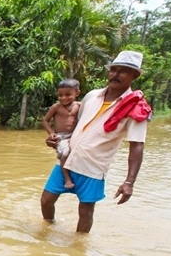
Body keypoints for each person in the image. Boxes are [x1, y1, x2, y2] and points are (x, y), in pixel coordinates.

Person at [41, 50, 152, 233]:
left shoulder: (136, 108)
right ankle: (47, 231)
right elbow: (78, 126)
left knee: (85, 212)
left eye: (123, 71)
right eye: (113, 69)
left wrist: (129, 182)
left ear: (134, 75)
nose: (115, 74)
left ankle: (78, 250)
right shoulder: (92, 96)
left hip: (93, 167)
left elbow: (137, 145)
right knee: (46, 200)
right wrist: (55, 139)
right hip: (68, 161)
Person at [42, 79, 81, 189]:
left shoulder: (79, 106)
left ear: (77, 93)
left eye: (68, 94)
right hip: (61, 136)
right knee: (64, 154)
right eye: (60, 95)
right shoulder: (56, 107)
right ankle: (67, 179)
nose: (63, 98)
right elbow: (45, 121)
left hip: (74, 135)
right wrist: (51, 133)